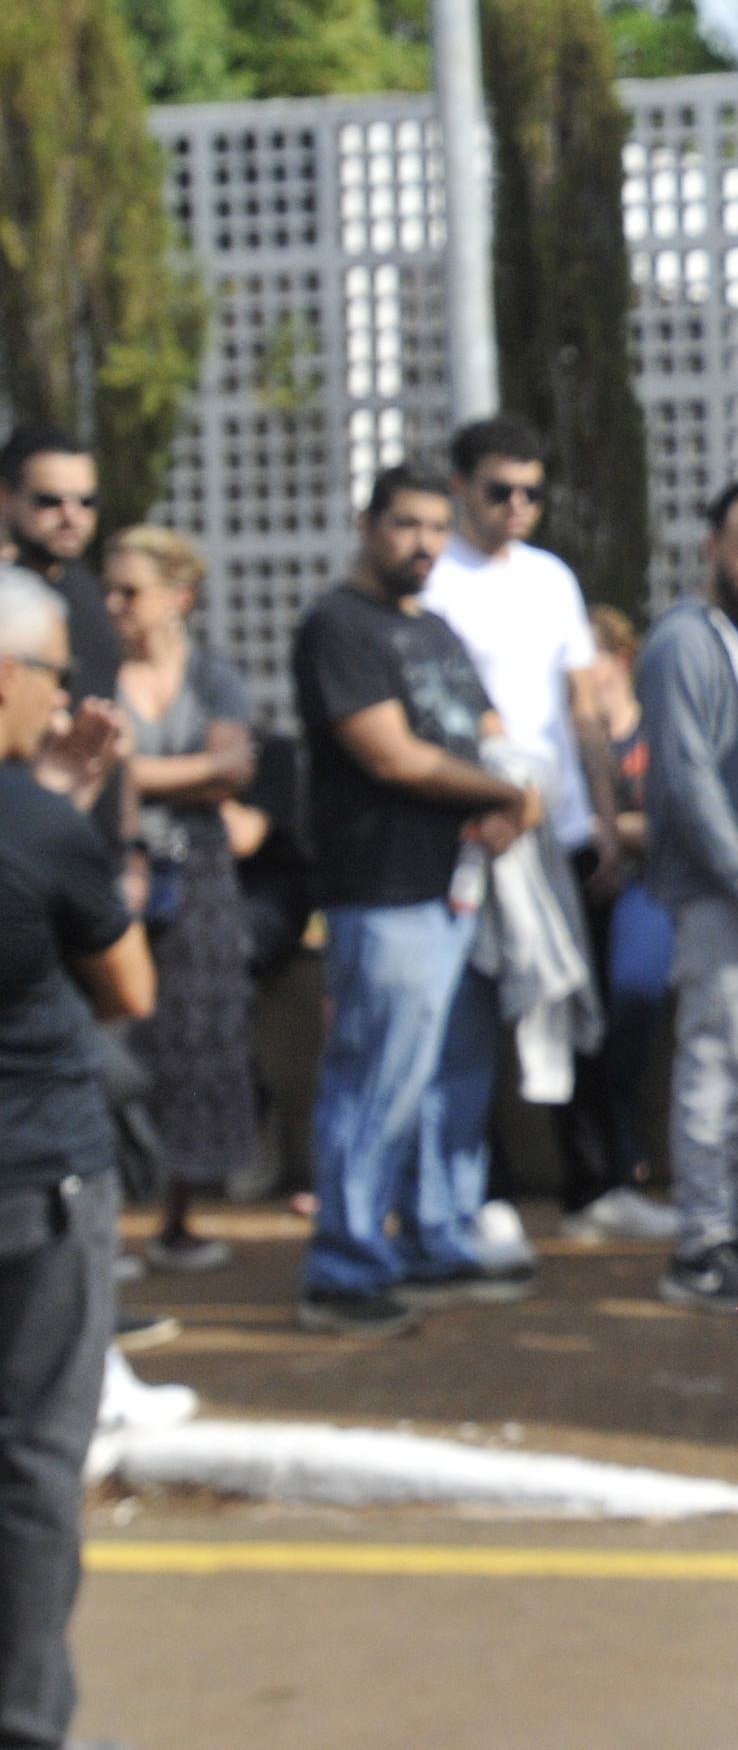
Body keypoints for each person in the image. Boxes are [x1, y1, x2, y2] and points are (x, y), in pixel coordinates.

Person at [292, 464, 542, 1338]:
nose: (425, 543)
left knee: (449, 1083)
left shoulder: (434, 627)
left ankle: (436, 1236)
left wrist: (516, 790)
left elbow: (488, 730)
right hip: (383, 889)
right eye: (405, 524)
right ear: (366, 525)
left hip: (458, 892)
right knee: (376, 1080)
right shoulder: (338, 626)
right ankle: (344, 1264)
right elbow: (390, 754)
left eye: (437, 526)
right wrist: (500, 793)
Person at [0, 563, 153, 1750]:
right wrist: (68, 813)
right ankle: (25, 1717)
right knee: (37, 1464)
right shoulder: (41, 829)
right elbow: (128, 986)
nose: (62, 700)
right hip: (38, 1175)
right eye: (53, 673)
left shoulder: (36, 813)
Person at [420, 416, 633, 1250]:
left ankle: (593, 1186)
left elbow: (583, 704)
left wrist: (608, 820)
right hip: (478, 832)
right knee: (476, 1018)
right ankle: (487, 1194)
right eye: (499, 489)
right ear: (461, 487)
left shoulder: (552, 577)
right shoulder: (435, 577)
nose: (517, 506)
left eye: (532, 492)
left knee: (581, 1004)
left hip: (566, 828)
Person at [638, 487, 738, 1318]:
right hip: (727, 894)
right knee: (713, 1068)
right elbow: (684, 778)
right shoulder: (682, 644)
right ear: (711, 547)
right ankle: (699, 1245)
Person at [102, 527, 258, 1274]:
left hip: (199, 878)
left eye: (129, 591)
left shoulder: (217, 675)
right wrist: (195, 774)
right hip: (115, 876)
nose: (114, 606)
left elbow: (236, 768)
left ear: (178, 598)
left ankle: (178, 1219)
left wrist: (140, 770)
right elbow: (114, 774)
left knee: (199, 1046)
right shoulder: (97, 673)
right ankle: (110, 1230)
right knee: (117, 1048)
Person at [554, 605, 674, 1245]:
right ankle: (603, 1166)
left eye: (589, 657)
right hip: (582, 893)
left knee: (631, 992)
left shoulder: (654, 729)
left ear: (620, 660)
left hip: (649, 888)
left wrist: (610, 830)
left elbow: (674, 822)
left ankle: (621, 1153)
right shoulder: (569, 739)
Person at [1, 428, 129, 854]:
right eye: (49, 501)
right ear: (6, 497)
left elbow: (115, 733)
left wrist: (130, 849)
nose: (71, 516)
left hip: (92, 846)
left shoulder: (96, 599)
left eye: (86, 502)